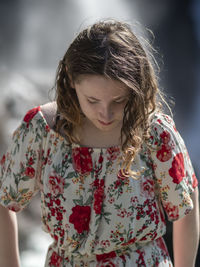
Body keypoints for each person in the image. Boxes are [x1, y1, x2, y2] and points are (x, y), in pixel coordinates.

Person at [0, 19, 199, 267]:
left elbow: (185, 206)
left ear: (135, 88)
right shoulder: (40, 130)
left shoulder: (156, 132)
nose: (105, 114)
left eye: (118, 100)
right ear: (71, 81)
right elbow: (5, 200)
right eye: (92, 100)